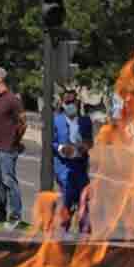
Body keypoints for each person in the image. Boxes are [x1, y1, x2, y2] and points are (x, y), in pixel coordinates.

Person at [0, 66, 25, 229]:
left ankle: (15, 216)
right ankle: (0, 211)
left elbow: (22, 121)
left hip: (7, 148)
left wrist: (15, 141)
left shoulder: (12, 99)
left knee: (9, 181)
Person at [53, 89, 93, 234]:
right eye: (67, 102)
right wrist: (62, 148)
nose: (70, 105)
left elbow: (90, 141)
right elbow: (52, 142)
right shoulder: (56, 120)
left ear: (77, 102)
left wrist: (85, 146)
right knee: (68, 197)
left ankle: (85, 231)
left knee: (83, 197)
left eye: (72, 102)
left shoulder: (85, 121)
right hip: (64, 166)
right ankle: (63, 230)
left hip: (80, 166)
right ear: (63, 104)